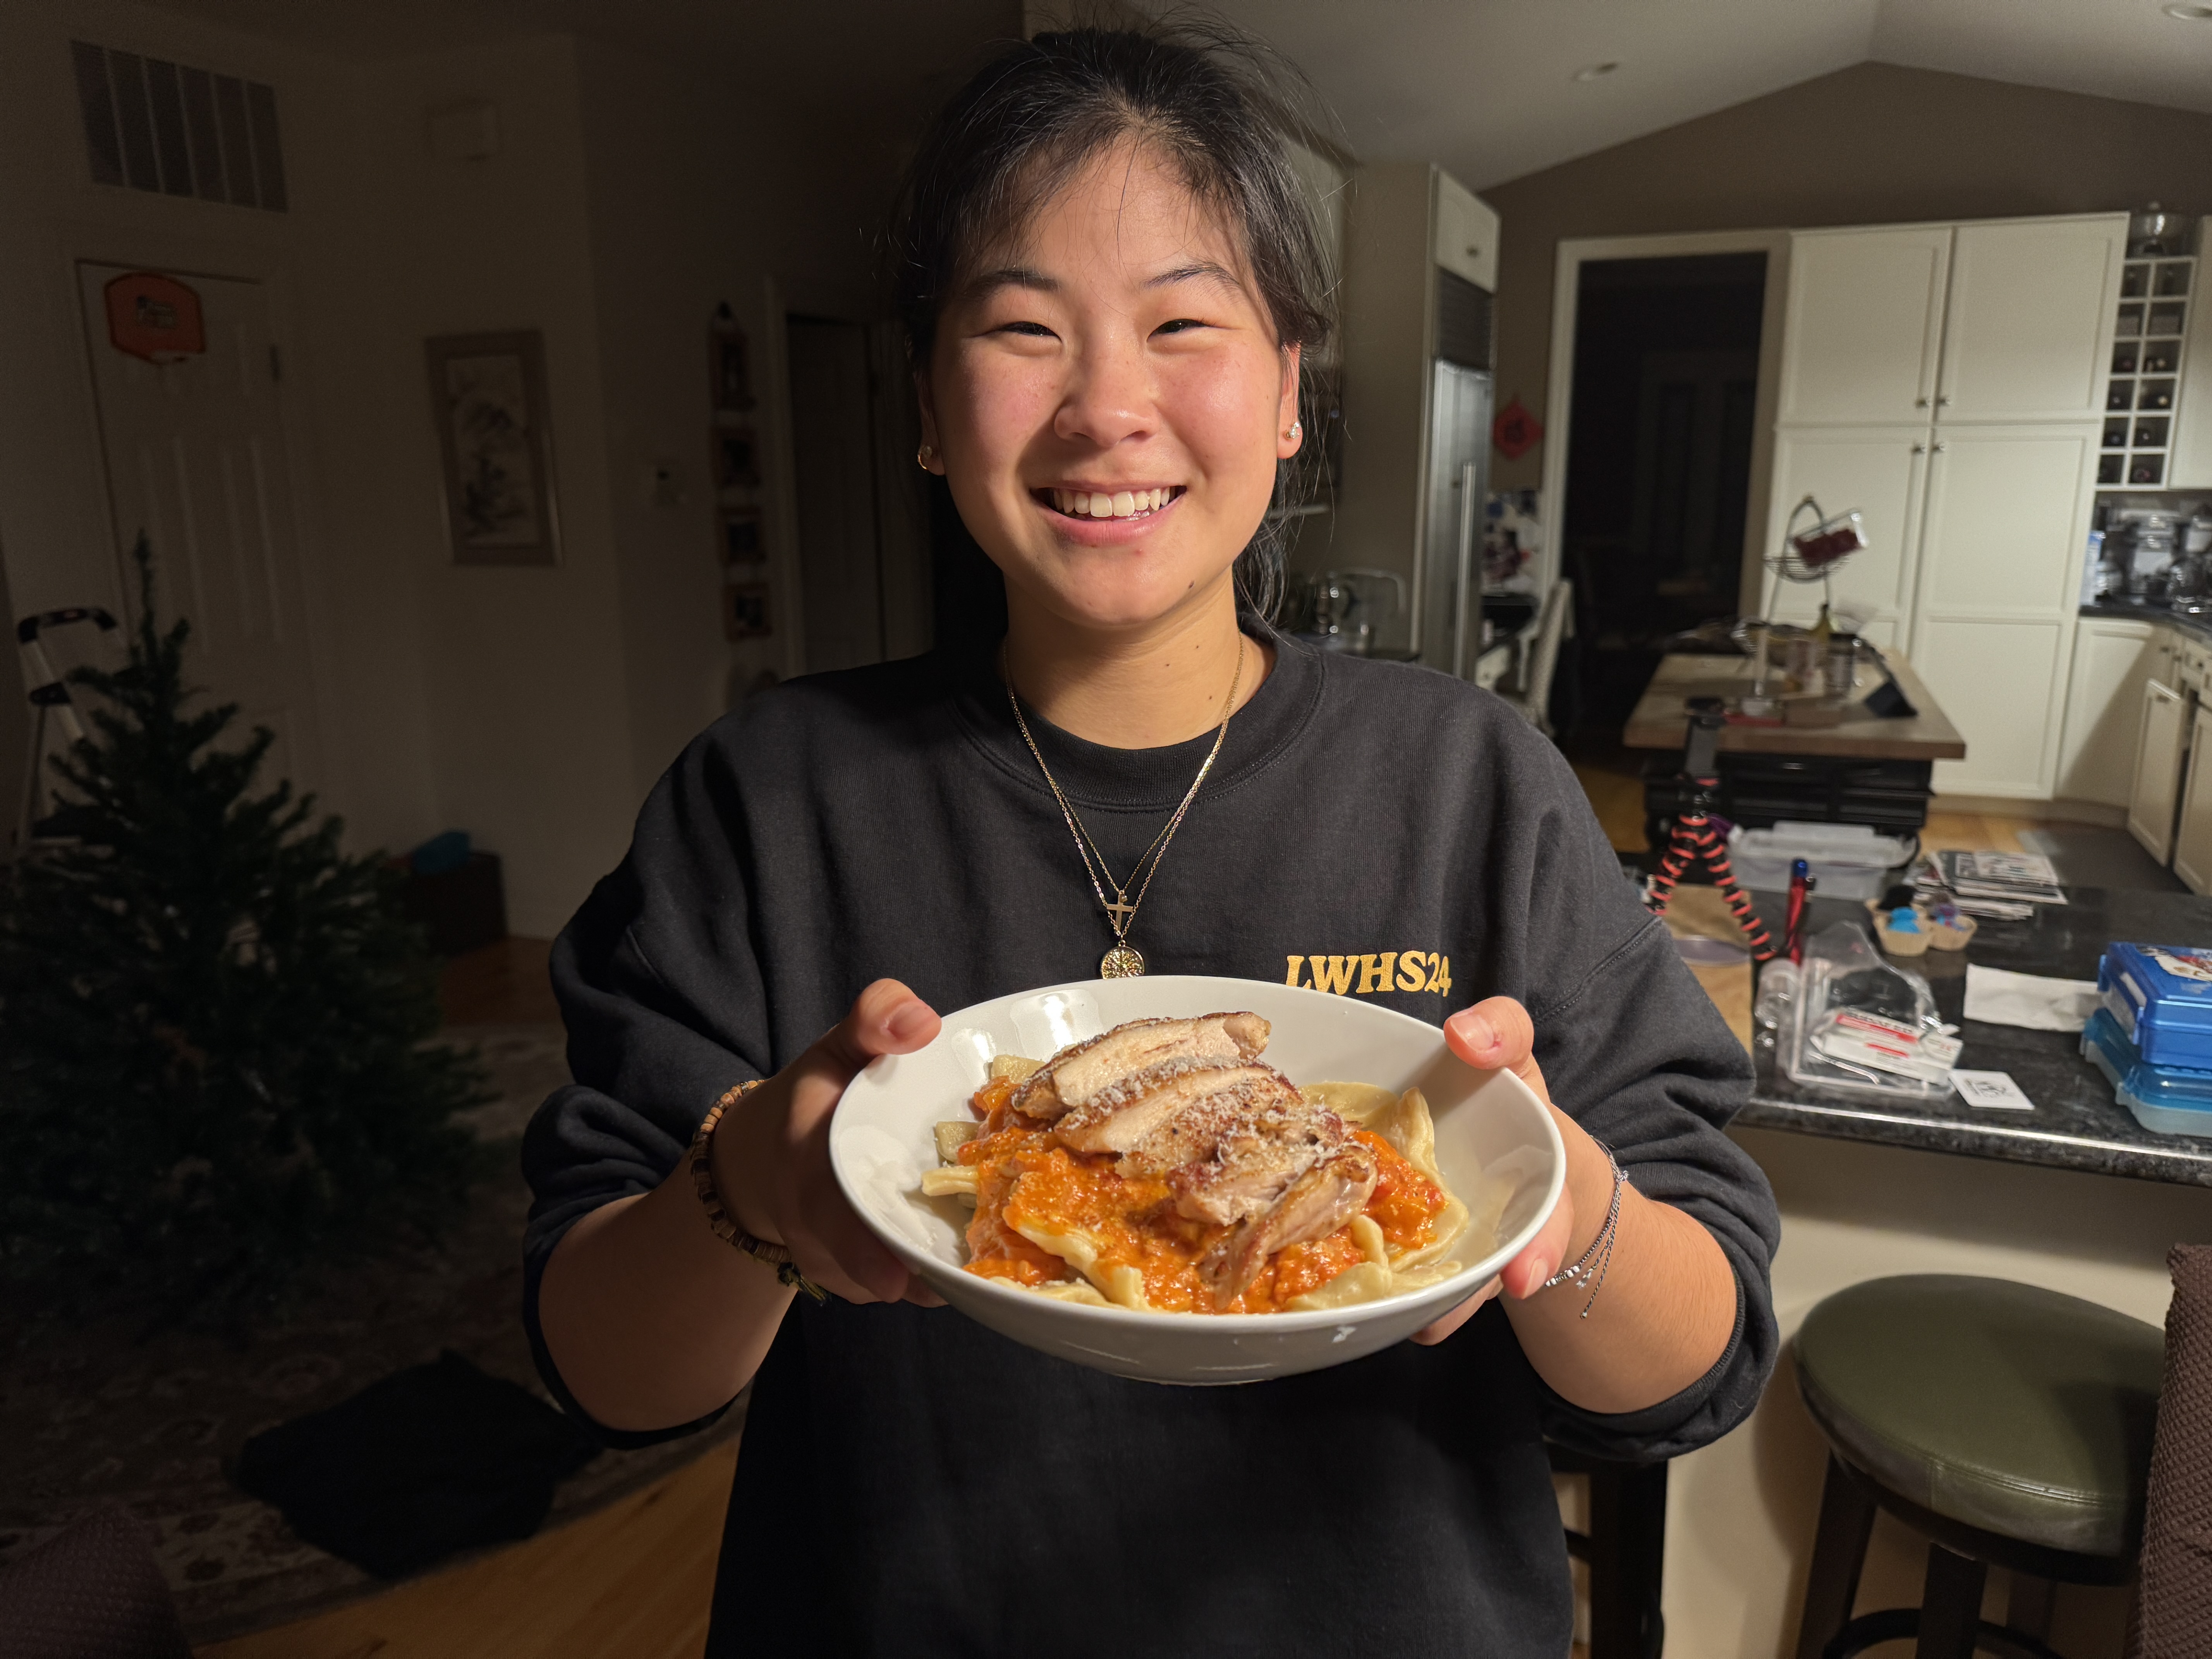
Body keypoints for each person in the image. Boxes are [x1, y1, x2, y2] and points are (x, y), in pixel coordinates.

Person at [525, 23, 1778, 1657]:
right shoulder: (766, 795)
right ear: (928, 406)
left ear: (1286, 402)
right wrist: (758, 1184)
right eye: (1025, 329)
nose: (1108, 407)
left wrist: (1549, 1195)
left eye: (1184, 323)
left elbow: (1701, 1365)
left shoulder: (1474, 777)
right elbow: (606, 1370)